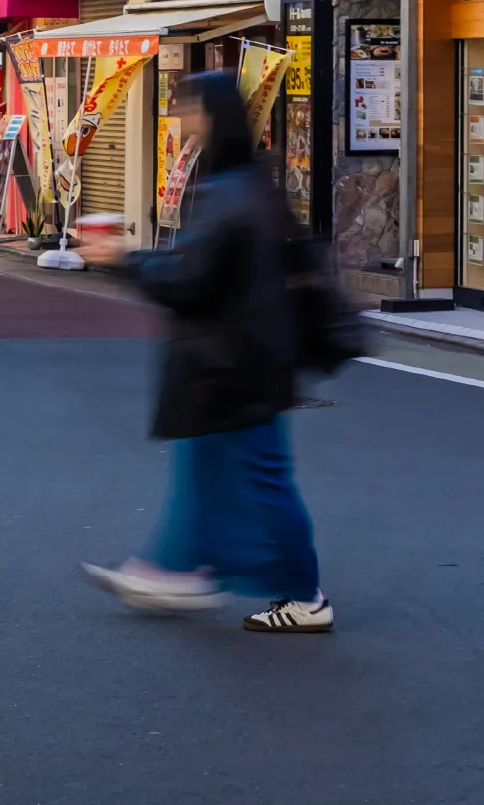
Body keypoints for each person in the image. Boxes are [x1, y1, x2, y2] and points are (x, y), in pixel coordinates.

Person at [80, 71, 332, 634]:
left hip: (233, 366)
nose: (182, 121)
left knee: (259, 482)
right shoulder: (251, 183)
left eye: (189, 110)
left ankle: (298, 593)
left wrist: (122, 256)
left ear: (212, 117)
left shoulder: (225, 193)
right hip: (244, 361)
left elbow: (187, 279)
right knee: (210, 469)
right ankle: (176, 567)